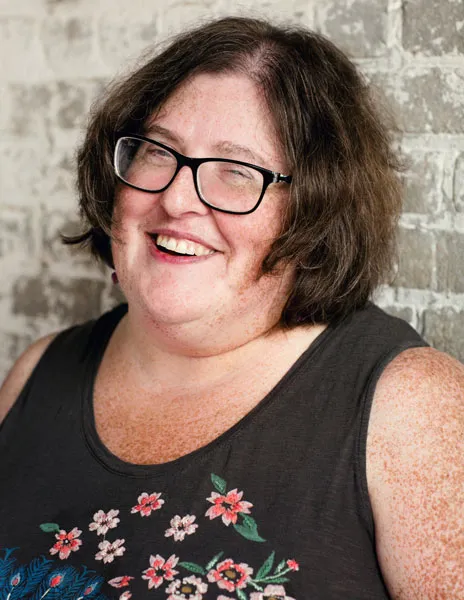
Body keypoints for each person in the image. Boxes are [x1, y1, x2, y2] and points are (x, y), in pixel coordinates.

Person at [0, 15, 462, 600]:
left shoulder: (411, 407)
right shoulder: (39, 373)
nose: (174, 197)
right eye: (157, 152)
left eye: (236, 172)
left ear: (316, 212)